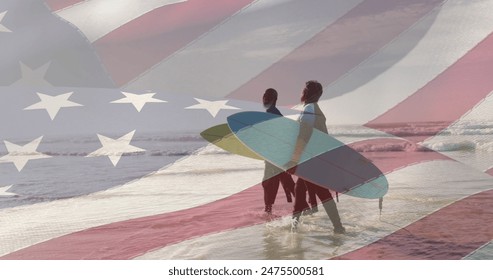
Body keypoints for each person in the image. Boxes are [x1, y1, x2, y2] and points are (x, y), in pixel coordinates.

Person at [288, 80, 345, 234]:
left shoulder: (309, 109)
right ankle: (294, 226)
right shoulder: (315, 109)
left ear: (306, 92)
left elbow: (303, 136)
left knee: (322, 193)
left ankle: (338, 227)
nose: (302, 92)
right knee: (299, 190)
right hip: (316, 158)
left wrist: (294, 159)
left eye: (303, 90)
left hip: (312, 160)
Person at [261, 88, 295, 214]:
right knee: (286, 182)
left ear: (274, 99)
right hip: (277, 155)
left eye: (268, 95)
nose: (265, 98)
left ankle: (268, 212)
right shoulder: (274, 113)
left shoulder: (272, 114)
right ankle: (304, 206)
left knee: (268, 183)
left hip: (274, 156)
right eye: (264, 95)